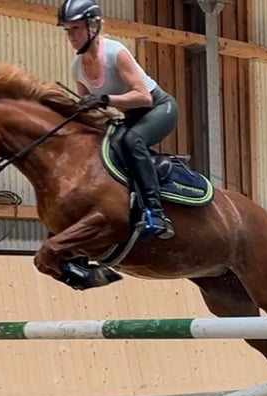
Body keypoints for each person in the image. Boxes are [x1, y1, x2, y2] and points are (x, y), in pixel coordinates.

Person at [57, 0, 177, 239]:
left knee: (132, 142)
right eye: (67, 30)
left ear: (93, 27)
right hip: (131, 116)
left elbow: (143, 97)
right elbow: (90, 111)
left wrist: (104, 100)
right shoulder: (77, 68)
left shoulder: (115, 52)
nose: (71, 36)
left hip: (160, 108)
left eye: (76, 29)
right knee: (105, 148)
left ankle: (156, 213)